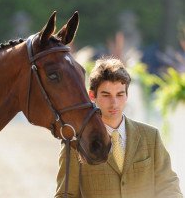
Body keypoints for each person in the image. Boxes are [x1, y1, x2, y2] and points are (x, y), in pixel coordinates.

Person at [54, 57, 183, 198]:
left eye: (120, 94)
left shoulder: (151, 136)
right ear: (92, 95)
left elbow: (169, 186)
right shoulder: (75, 144)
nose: (114, 103)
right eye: (106, 95)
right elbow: (65, 195)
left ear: (127, 95)